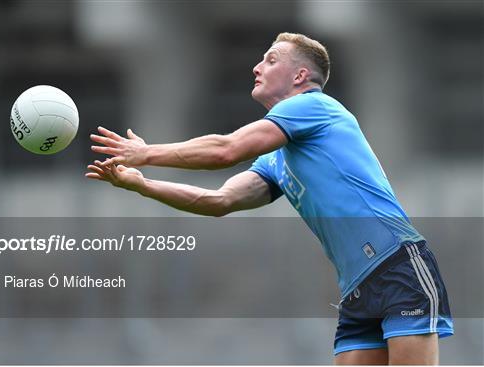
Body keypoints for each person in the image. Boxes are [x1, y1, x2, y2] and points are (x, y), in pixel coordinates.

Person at [86, 32, 453, 365]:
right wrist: (141, 185)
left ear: (299, 77)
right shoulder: (276, 159)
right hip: (357, 289)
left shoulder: (314, 105)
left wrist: (146, 153)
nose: (257, 66)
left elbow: (226, 150)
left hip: (396, 265)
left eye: (272, 59)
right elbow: (218, 201)